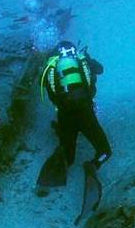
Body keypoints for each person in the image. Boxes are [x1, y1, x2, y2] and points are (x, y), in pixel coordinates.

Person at [36, 40, 111, 192]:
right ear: (74, 50)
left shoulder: (52, 67)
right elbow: (100, 69)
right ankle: (93, 165)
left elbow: (42, 84)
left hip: (65, 117)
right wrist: (87, 58)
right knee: (105, 152)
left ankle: (61, 155)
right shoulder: (81, 60)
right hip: (86, 114)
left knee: (69, 157)